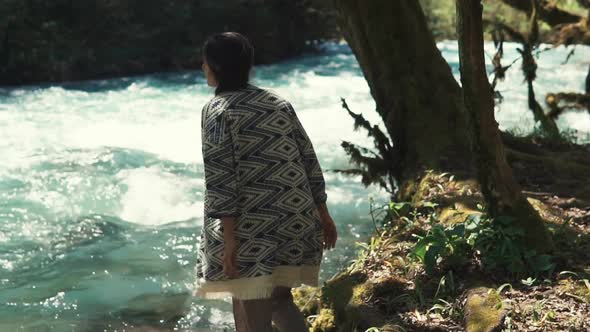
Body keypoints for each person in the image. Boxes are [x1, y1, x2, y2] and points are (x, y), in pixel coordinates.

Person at [193, 32, 338, 332]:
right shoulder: (277, 102)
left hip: (252, 230)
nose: (202, 67)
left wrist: (230, 241)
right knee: (279, 301)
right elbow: (308, 158)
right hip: (296, 221)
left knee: (251, 312)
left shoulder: (218, 111)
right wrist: (323, 214)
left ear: (216, 67)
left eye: (205, 62)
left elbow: (221, 178)